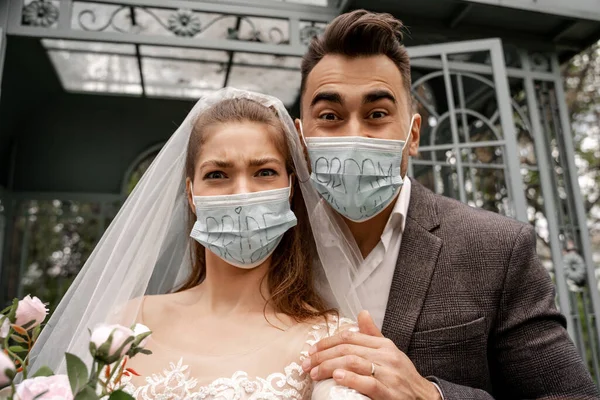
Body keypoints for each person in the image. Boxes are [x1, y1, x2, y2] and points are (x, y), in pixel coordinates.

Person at [295, 9, 600, 400]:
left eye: (376, 114)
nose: (355, 135)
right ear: (301, 137)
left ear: (413, 134)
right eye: (330, 116)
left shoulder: (496, 249)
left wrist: (430, 396)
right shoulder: (274, 245)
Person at [26, 89, 370, 399]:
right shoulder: (130, 320)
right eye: (217, 175)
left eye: (264, 172)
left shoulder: (329, 340)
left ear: (291, 187)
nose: (242, 194)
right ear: (191, 194)